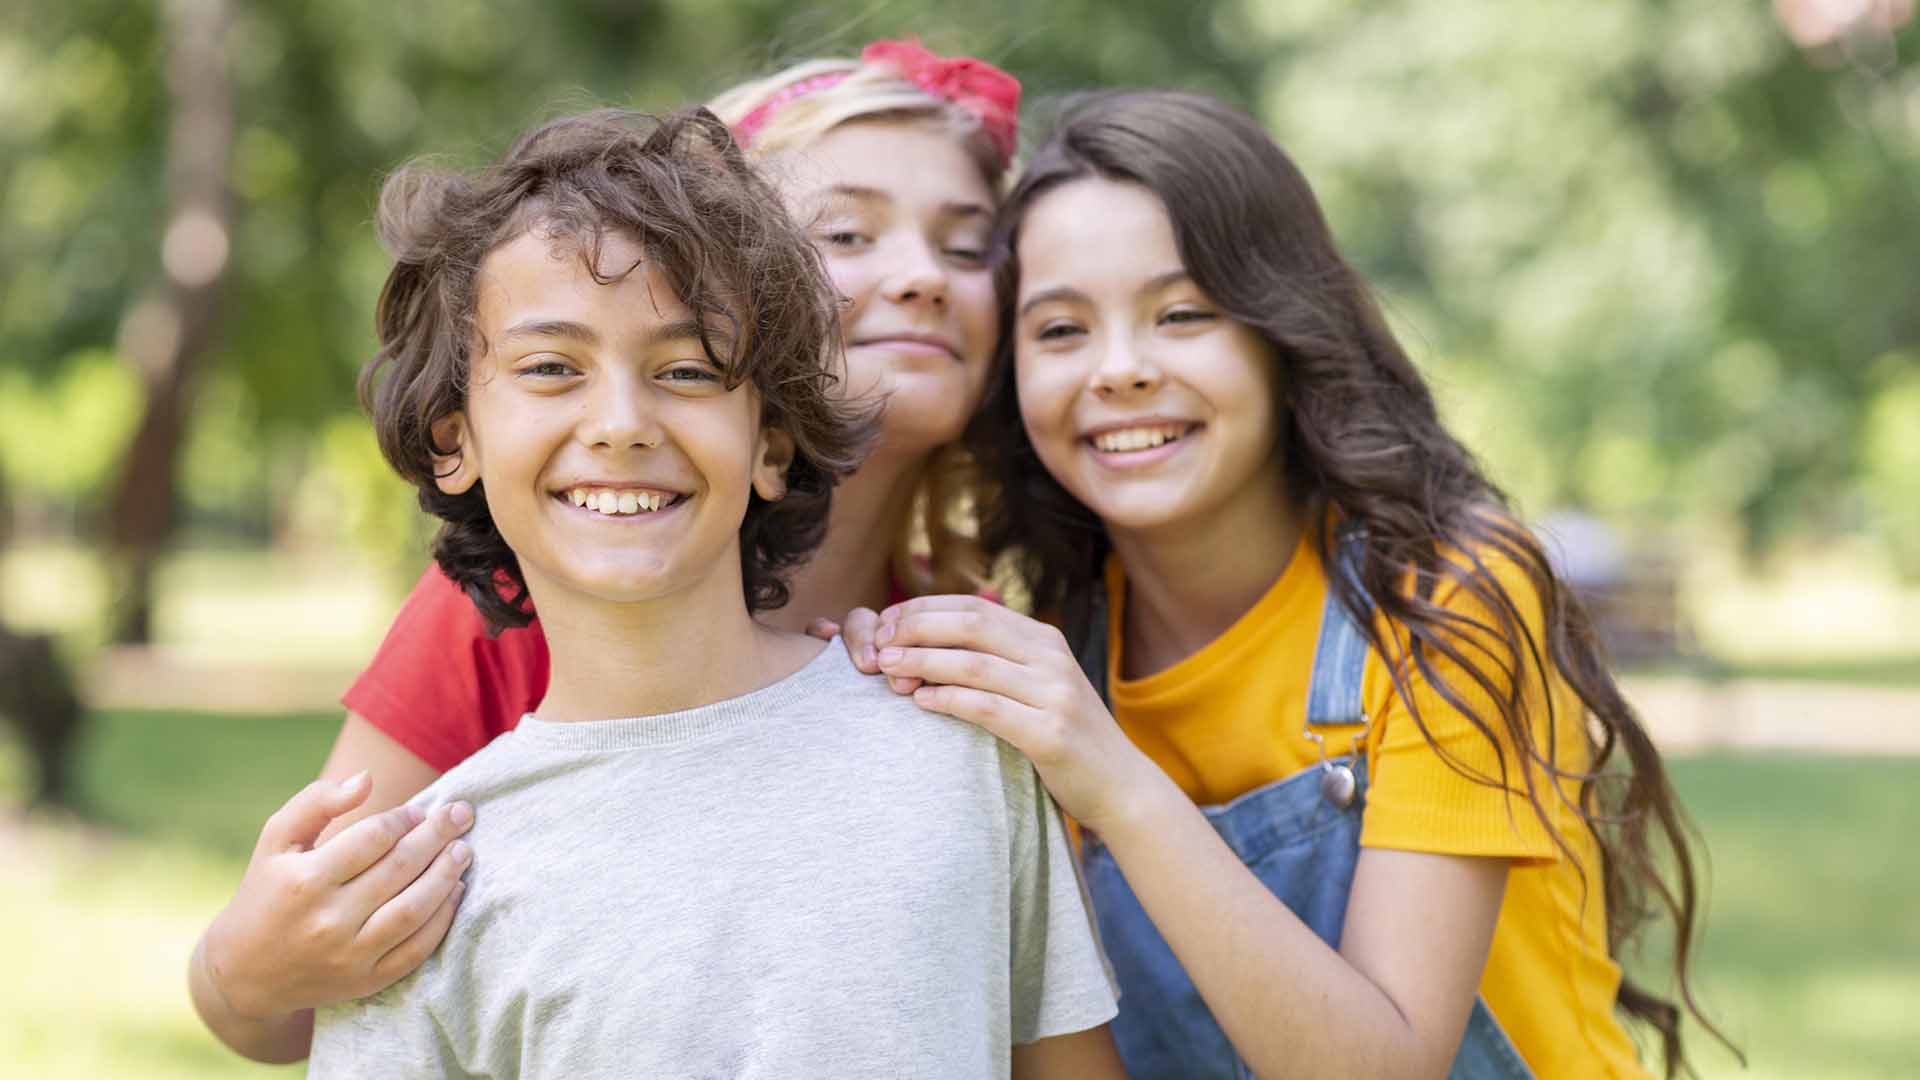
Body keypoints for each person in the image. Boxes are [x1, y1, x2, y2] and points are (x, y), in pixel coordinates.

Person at [851, 91, 1735, 1078]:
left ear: (1280, 333)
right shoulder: (1065, 648)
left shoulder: (1448, 594)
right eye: (1060, 331)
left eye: (1182, 314)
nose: (1121, 369)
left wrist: (1117, 786)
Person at [187, 40, 1024, 1064]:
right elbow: (311, 962)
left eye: (968, 245)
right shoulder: (508, 600)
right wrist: (240, 975)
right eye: (847, 230)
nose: (920, 277)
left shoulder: (970, 666)